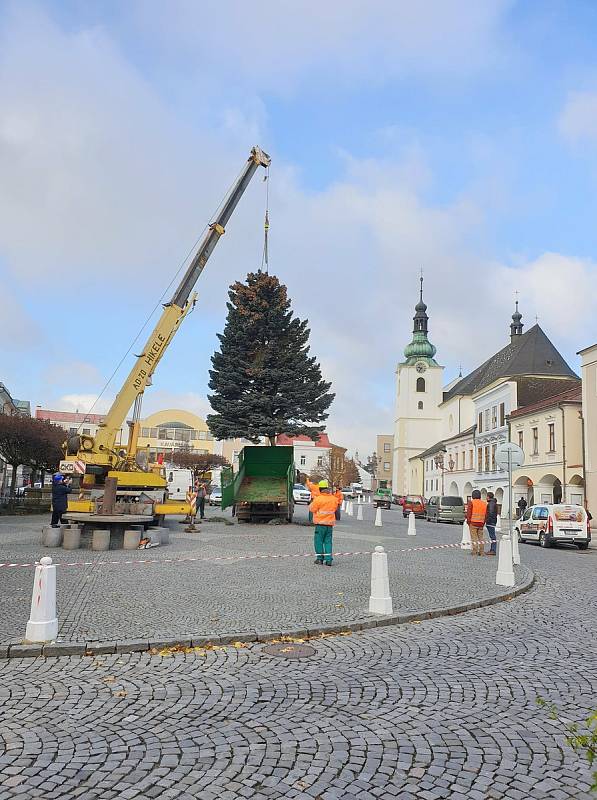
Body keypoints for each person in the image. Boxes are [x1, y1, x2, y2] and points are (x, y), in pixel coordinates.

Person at [309, 480, 341, 566]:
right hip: (329, 525)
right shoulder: (334, 499)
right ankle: (328, 560)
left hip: (320, 525)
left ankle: (319, 559)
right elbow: (335, 508)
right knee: (328, 542)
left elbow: (312, 509)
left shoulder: (318, 499)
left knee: (318, 542)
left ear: (320, 489)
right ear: (327, 488)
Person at [466, 489, 487, 556]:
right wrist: (483, 522)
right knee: (481, 538)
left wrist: (468, 521)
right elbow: (486, 514)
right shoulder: (484, 503)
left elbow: (469, 513)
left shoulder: (471, 502)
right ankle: (482, 552)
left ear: (472, 496)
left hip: (473, 522)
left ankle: (474, 551)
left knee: (474, 538)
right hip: (481, 522)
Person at [485, 491, 498, 556]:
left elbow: (491, 513)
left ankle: (493, 550)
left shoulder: (491, 504)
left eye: (486, 496)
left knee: (492, 536)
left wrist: (487, 520)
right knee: (492, 536)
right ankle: (492, 550)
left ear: (488, 497)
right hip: (493, 521)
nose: (486, 498)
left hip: (491, 522)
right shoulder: (493, 503)